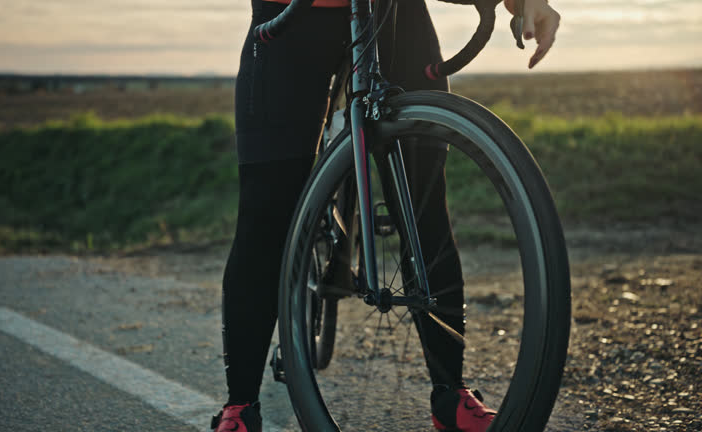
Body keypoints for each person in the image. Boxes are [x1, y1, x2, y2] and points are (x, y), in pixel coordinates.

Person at [211, 0, 561, 431]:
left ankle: (450, 395)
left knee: (423, 205)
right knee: (266, 212)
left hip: (393, 11)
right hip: (293, 12)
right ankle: (240, 407)